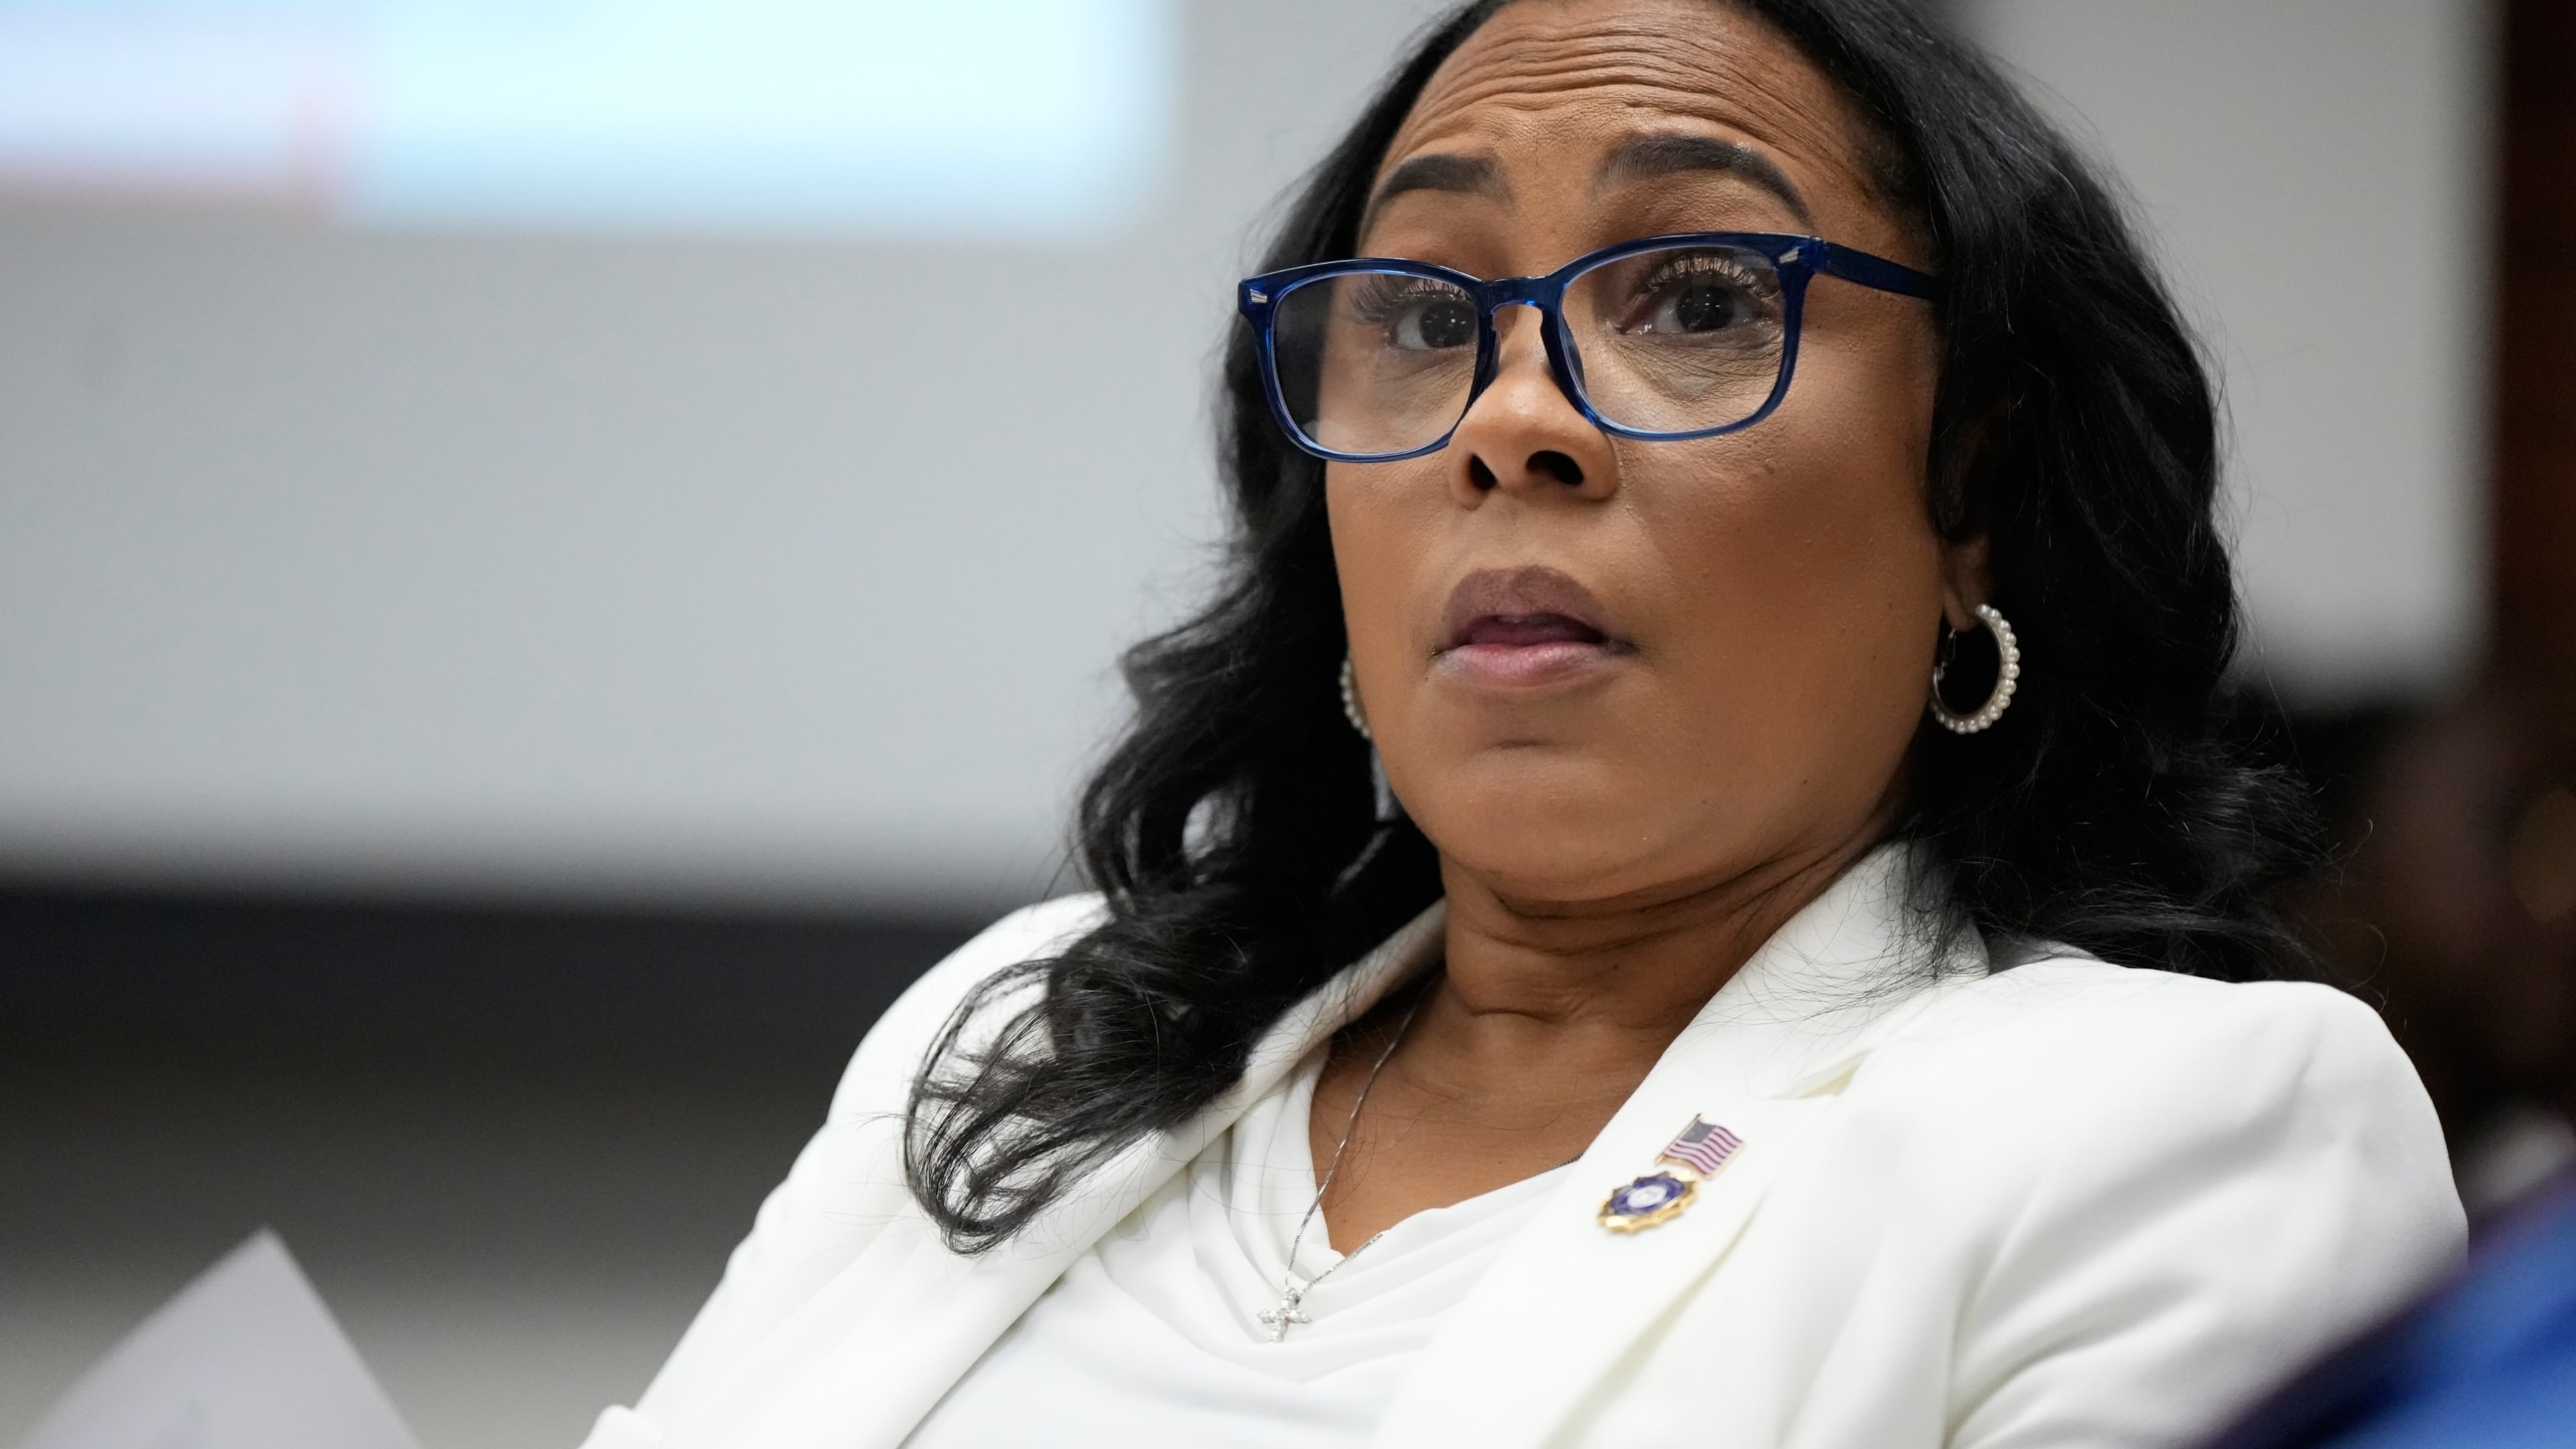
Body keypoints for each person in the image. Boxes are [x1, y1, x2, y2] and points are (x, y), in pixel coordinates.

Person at [582, 2, 2463, 1445]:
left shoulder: (2190, 1127)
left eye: (1704, 296)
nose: (1508, 418)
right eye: (1420, 313)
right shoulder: (1033, 1029)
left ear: (1976, 482)